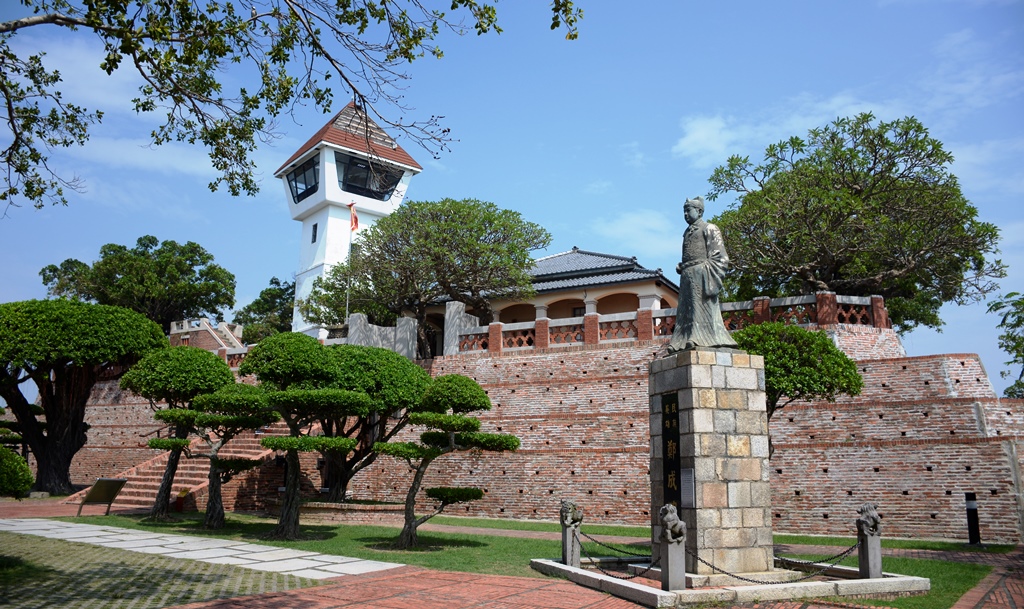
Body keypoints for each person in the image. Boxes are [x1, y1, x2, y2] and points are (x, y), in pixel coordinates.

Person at [668, 196, 737, 352]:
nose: (685, 214)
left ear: (699, 211)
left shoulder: (709, 228)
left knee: (700, 307)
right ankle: (680, 340)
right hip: (687, 276)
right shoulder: (686, 233)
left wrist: (704, 270)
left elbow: (721, 256)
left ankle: (700, 338)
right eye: (684, 211)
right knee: (685, 310)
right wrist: (683, 266)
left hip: (702, 275)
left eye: (688, 210)